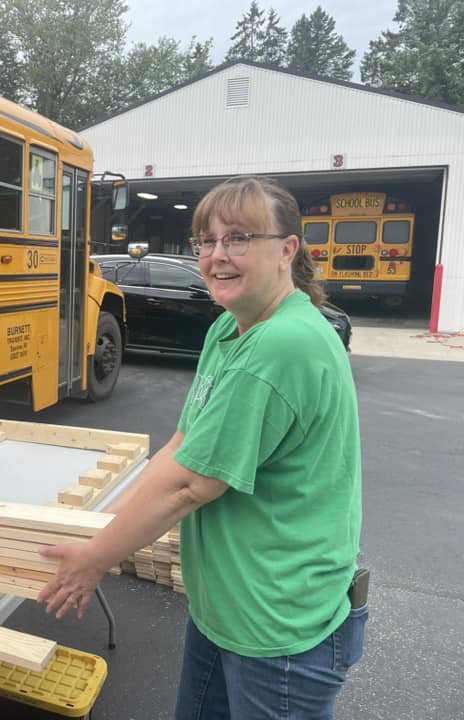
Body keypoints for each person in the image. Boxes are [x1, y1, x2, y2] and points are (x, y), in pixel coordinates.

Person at [38, 175, 366, 719]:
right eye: (206, 241)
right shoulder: (229, 330)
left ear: (287, 250)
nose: (217, 255)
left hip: (277, 625)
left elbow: (194, 485)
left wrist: (96, 557)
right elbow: (183, 448)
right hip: (226, 607)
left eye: (238, 238)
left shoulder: (284, 344)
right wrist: (101, 525)